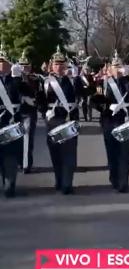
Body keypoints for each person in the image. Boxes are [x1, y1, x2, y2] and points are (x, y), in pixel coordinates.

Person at [39, 46, 86, 195]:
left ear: (66, 65)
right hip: (53, 120)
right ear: (52, 65)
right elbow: (40, 100)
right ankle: (59, 179)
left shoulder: (72, 81)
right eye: (56, 64)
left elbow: (85, 92)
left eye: (62, 64)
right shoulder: (46, 82)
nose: (59, 66)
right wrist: (44, 111)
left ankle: (67, 183)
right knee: (56, 153)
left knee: (69, 153)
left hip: (69, 119)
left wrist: (81, 76)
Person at [93, 50, 129, 193]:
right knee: (112, 152)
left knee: (125, 153)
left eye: (120, 66)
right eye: (115, 66)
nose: (117, 69)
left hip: (125, 120)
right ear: (110, 68)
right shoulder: (104, 82)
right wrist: (105, 106)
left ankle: (123, 181)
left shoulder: (128, 82)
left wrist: (128, 78)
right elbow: (96, 101)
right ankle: (114, 177)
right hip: (109, 120)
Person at [0, 47, 24, 197]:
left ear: (10, 65)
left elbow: (28, 98)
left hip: (10, 123)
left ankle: (10, 184)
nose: (1, 65)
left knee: (10, 156)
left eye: (4, 62)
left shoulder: (16, 82)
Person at [17, 50, 38, 174]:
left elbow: (38, 95)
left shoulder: (34, 79)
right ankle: (19, 161)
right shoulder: (14, 79)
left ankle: (26, 164)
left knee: (27, 137)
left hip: (29, 112)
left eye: (26, 66)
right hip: (16, 112)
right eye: (21, 66)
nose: (24, 68)